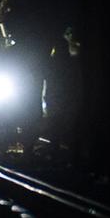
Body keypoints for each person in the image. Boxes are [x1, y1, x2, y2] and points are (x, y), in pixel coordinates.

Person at [43, 26, 83, 158]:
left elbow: (46, 75)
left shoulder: (53, 62)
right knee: (65, 123)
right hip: (64, 95)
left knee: (55, 123)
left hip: (55, 95)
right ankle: (68, 150)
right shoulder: (71, 61)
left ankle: (56, 148)